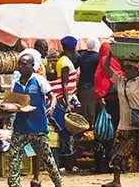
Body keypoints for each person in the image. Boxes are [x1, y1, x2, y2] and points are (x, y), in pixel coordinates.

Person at [102, 48, 139, 187]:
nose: (126, 70)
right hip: (125, 123)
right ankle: (116, 181)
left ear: (136, 70)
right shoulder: (120, 81)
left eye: (129, 68)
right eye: (125, 67)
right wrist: (111, 53)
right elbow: (105, 67)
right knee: (117, 151)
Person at [6, 53, 62, 187]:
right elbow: (12, 101)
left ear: (32, 66)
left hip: (38, 127)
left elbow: (52, 95)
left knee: (47, 159)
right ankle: (14, 184)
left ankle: (58, 183)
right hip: (20, 127)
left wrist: (52, 106)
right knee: (13, 157)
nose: (20, 67)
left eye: (24, 64)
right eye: (19, 64)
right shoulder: (15, 83)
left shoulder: (38, 80)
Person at [94, 42, 123, 174]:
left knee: (103, 132)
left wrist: (99, 97)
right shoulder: (109, 61)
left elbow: (99, 80)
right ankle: (110, 162)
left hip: (104, 100)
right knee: (111, 132)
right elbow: (110, 79)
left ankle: (101, 163)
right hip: (111, 101)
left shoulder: (103, 61)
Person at [75, 38, 101, 125]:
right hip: (92, 87)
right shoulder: (97, 58)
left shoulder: (82, 55)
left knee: (84, 111)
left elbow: (75, 65)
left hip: (81, 86)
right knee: (91, 112)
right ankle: (89, 133)